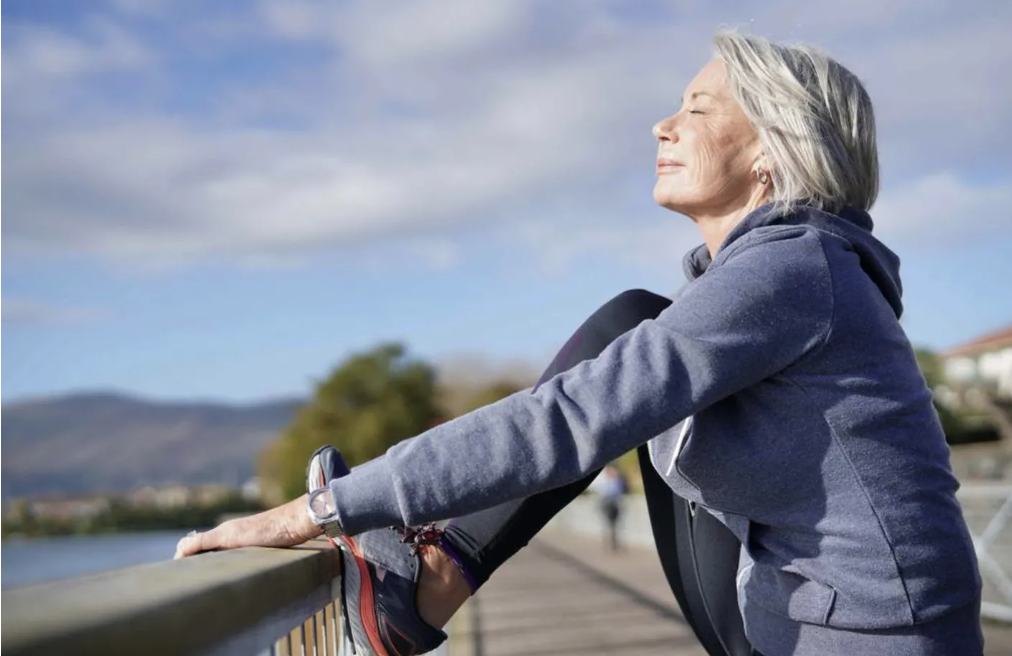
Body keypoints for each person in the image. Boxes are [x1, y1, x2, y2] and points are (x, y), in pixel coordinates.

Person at [175, 31, 984, 656]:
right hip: (785, 617)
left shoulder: (796, 265)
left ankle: (424, 584)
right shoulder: (766, 277)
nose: (662, 124)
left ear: (775, 147)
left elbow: (566, 420)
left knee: (622, 351)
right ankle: (425, 579)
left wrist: (314, 514)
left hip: (864, 642)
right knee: (634, 320)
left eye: (699, 109)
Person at [591, 463, 628, 552]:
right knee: (608, 525)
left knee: (614, 525)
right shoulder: (604, 480)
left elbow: (622, 491)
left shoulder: (619, 481)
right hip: (606, 504)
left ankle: (613, 544)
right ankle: (609, 544)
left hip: (615, 505)